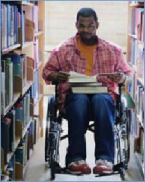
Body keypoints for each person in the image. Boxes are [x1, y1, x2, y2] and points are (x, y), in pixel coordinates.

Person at [43, 8, 132, 175]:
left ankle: (104, 159)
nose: (85, 30)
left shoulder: (112, 49)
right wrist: (56, 74)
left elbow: (128, 74)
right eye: (81, 26)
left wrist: (121, 78)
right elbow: (46, 72)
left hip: (102, 97)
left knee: (101, 99)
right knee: (80, 100)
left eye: (90, 25)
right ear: (76, 25)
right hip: (75, 97)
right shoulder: (63, 49)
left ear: (97, 25)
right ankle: (76, 159)